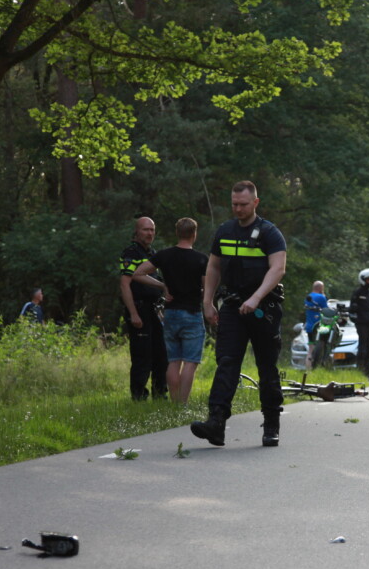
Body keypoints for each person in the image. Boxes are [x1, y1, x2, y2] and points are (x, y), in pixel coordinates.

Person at [190, 181, 288, 447]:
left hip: (263, 308)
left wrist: (256, 298)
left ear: (255, 203)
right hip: (233, 307)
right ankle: (216, 423)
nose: (238, 209)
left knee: (266, 367)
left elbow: (278, 269)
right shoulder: (225, 231)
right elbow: (213, 267)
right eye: (234, 204)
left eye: (243, 204)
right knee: (227, 363)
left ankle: (271, 425)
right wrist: (207, 302)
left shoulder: (269, 232)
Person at [132, 217, 208, 404]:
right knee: (190, 362)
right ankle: (183, 403)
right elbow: (207, 290)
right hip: (192, 314)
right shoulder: (201, 259)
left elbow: (138, 273)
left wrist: (162, 286)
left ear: (177, 233)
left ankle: (174, 403)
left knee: (173, 361)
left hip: (171, 314)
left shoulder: (164, 255)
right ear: (194, 234)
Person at [119, 216, 168, 400]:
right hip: (139, 309)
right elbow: (125, 285)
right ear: (137, 231)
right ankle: (139, 396)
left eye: (152, 230)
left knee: (161, 354)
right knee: (142, 357)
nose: (149, 233)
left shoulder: (152, 253)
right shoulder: (131, 253)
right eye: (146, 230)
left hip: (156, 310)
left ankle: (160, 393)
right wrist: (133, 313)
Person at [350, 268, 369, 378]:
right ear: (363, 279)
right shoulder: (357, 293)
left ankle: (367, 372)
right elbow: (352, 310)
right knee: (362, 349)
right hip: (361, 323)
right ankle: (360, 372)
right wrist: (356, 318)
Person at [304, 280, 329, 368]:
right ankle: (321, 365)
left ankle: (308, 370)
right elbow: (326, 310)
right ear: (321, 288)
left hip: (309, 327)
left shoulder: (308, 297)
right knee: (323, 345)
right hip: (319, 326)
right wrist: (323, 295)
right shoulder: (321, 297)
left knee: (310, 349)